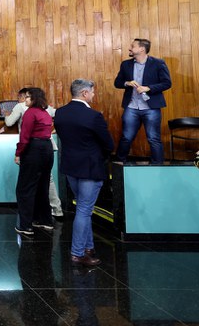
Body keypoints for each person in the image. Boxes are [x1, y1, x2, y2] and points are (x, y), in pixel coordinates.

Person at [54, 79, 114, 267]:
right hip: (90, 168)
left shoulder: (60, 113)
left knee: (82, 207)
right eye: (92, 92)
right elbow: (108, 144)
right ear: (84, 93)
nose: (94, 95)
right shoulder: (93, 116)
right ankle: (77, 253)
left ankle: (88, 247)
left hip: (70, 167)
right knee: (84, 210)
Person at [5, 87, 63, 219]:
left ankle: (28, 218)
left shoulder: (22, 108)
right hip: (47, 146)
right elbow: (57, 114)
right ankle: (55, 209)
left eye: (25, 97)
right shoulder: (45, 109)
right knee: (46, 181)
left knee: (27, 184)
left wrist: (7, 115)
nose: (23, 99)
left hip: (31, 148)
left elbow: (9, 123)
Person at [113, 38, 171, 164]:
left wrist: (148, 88)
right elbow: (117, 83)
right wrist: (127, 83)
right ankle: (119, 164)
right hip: (131, 107)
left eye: (132, 46)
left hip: (151, 108)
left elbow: (167, 83)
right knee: (126, 137)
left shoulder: (158, 63)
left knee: (153, 139)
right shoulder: (125, 64)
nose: (129, 48)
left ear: (141, 49)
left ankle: (158, 166)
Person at [14, 87, 54, 236]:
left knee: (25, 188)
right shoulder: (45, 113)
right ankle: (45, 220)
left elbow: (24, 137)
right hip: (47, 149)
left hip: (34, 149)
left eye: (28, 97)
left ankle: (25, 225)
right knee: (42, 186)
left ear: (34, 98)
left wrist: (18, 153)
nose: (25, 99)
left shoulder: (30, 113)